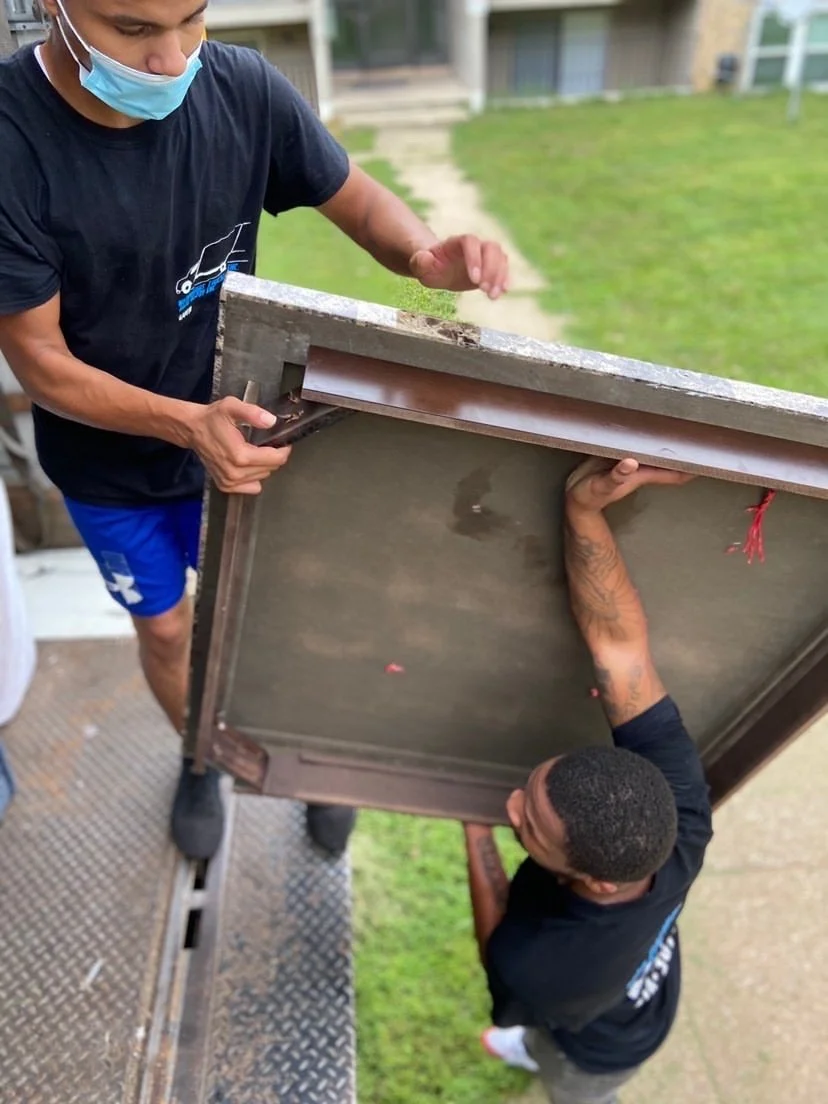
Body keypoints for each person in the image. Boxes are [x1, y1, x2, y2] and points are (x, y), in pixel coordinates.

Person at [0, 0, 509, 863]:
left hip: (244, 435)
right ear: (54, 4)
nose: (170, 58)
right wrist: (185, 424)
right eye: (132, 29)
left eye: (192, 17)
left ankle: (311, 769)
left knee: (285, 619)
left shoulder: (241, 88)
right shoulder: (14, 143)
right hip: (109, 465)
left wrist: (425, 255)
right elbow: (42, 364)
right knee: (165, 630)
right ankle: (201, 756)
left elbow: (355, 197)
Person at [462, 456, 713, 1104]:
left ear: (597, 879)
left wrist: (476, 840)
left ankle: (538, 1058)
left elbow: (499, 955)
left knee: (556, 1066)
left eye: (528, 826)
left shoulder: (539, 967)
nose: (511, 804)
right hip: (642, 999)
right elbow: (618, 648)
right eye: (533, 791)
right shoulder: (680, 810)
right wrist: (584, 507)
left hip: (598, 1056)